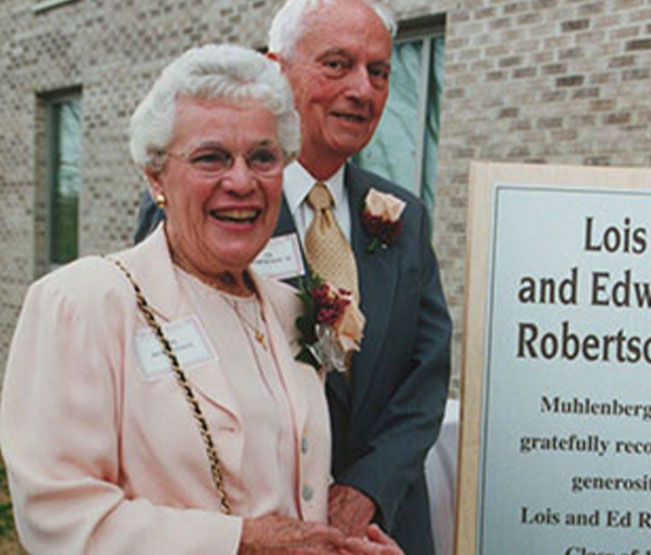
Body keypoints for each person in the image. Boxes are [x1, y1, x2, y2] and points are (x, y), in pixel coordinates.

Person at [0, 44, 401, 554]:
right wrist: (240, 542)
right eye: (211, 158)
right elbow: (58, 517)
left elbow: (293, 487)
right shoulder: (84, 304)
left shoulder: (290, 308)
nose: (241, 182)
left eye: (262, 157)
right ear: (155, 176)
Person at [135, 1, 452, 553]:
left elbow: (426, 378)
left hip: (384, 528)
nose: (363, 89)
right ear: (278, 69)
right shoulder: (213, 202)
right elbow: (164, 368)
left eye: (379, 71)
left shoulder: (402, 214)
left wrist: (365, 490)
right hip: (254, 528)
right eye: (337, 64)